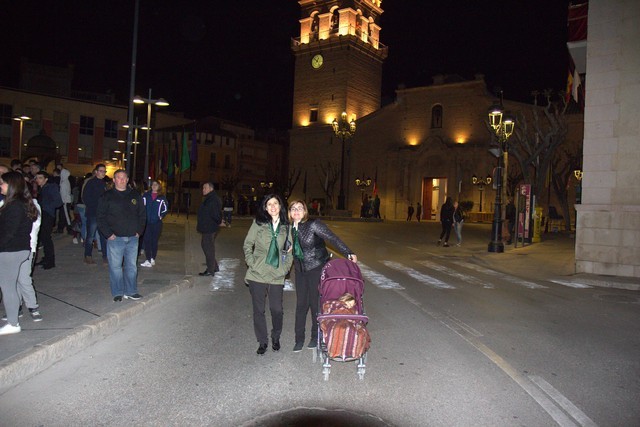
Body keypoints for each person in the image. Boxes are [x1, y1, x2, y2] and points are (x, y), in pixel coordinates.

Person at [288, 199, 357, 352]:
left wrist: (348, 252)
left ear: (305, 211)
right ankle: (299, 339)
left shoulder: (313, 224)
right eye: (293, 208)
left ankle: (315, 336)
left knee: (315, 303)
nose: (296, 211)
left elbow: (332, 238)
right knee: (301, 305)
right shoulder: (290, 229)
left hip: (316, 268)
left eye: (300, 208)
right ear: (290, 213)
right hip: (300, 271)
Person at [243, 194, 293, 355]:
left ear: (280, 206)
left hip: (277, 273)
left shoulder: (287, 227)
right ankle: (262, 341)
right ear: (265, 207)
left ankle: (276, 336)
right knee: (259, 310)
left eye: (275, 203)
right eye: (269, 204)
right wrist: (251, 263)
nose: (272, 207)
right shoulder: (258, 224)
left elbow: (289, 251)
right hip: (257, 273)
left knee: (276, 309)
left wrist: (284, 269)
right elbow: (247, 244)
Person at [97, 169, 146, 302]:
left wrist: (139, 231)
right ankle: (117, 292)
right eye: (118, 177)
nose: (122, 180)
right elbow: (100, 217)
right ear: (114, 180)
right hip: (115, 238)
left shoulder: (135, 195)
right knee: (115, 267)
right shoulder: (106, 196)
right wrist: (108, 234)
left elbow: (142, 214)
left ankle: (131, 291)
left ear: (128, 180)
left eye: (124, 177)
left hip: (132, 238)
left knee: (131, 266)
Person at [0, 171, 39, 335]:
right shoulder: (22, 203)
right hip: (20, 249)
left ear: (11, 185)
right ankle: (13, 318)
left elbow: (9, 232)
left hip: (11, 250)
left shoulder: (14, 205)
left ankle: (13, 322)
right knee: (12, 286)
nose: (0, 186)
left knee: (8, 288)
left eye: (2, 183)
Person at [35, 171, 62, 269]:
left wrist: (46, 207)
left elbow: (58, 202)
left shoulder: (51, 187)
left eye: (40, 178)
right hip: (42, 214)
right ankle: (46, 258)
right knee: (43, 237)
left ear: (46, 179)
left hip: (47, 214)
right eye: (37, 178)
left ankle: (50, 261)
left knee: (46, 238)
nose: (38, 180)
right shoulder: (42, 188)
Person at [82, 164, 108, 265]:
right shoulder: (91, 183)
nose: (103, 173)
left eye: (104, 171)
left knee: (104, 236)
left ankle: (105, 256)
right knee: (90, 236)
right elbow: (86, 198)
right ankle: (87, 255)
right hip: (93, 213)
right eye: (101, 171)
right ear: (96, 172)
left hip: (102, 214)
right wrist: (94, 207)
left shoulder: (104, 184)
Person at [140, 180, 168, 267]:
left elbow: (165, 208)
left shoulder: (161, 198)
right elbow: (141, 206)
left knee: (154, 241)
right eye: (153, 184)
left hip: (156, 223)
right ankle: (148, 259)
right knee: (147, 240)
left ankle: (152, 258)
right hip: (147, 222)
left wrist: (160, 216)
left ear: (159, 186)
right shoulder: (146, 196)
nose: (154, 186)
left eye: (156, 184)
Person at [197, 181, 222, 276]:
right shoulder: (210, 198)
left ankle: (211, 269)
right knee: (207, 246)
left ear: (211, 189)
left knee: (208, 248)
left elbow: (216, 214)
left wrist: (219, 222)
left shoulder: (213, 199)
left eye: (205, 188)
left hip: (209, 227)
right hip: (207, 227)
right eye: (203, 188)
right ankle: (214, 267)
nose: (203, 190)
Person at [55, 163, 73, 234]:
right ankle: (62, 228)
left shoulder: (63, 182)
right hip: (66, 200)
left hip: (64, 201)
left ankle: (68, 228)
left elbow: (63, 193)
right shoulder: (66, 181)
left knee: (65, 215)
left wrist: (62, 201)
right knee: (64, 215)